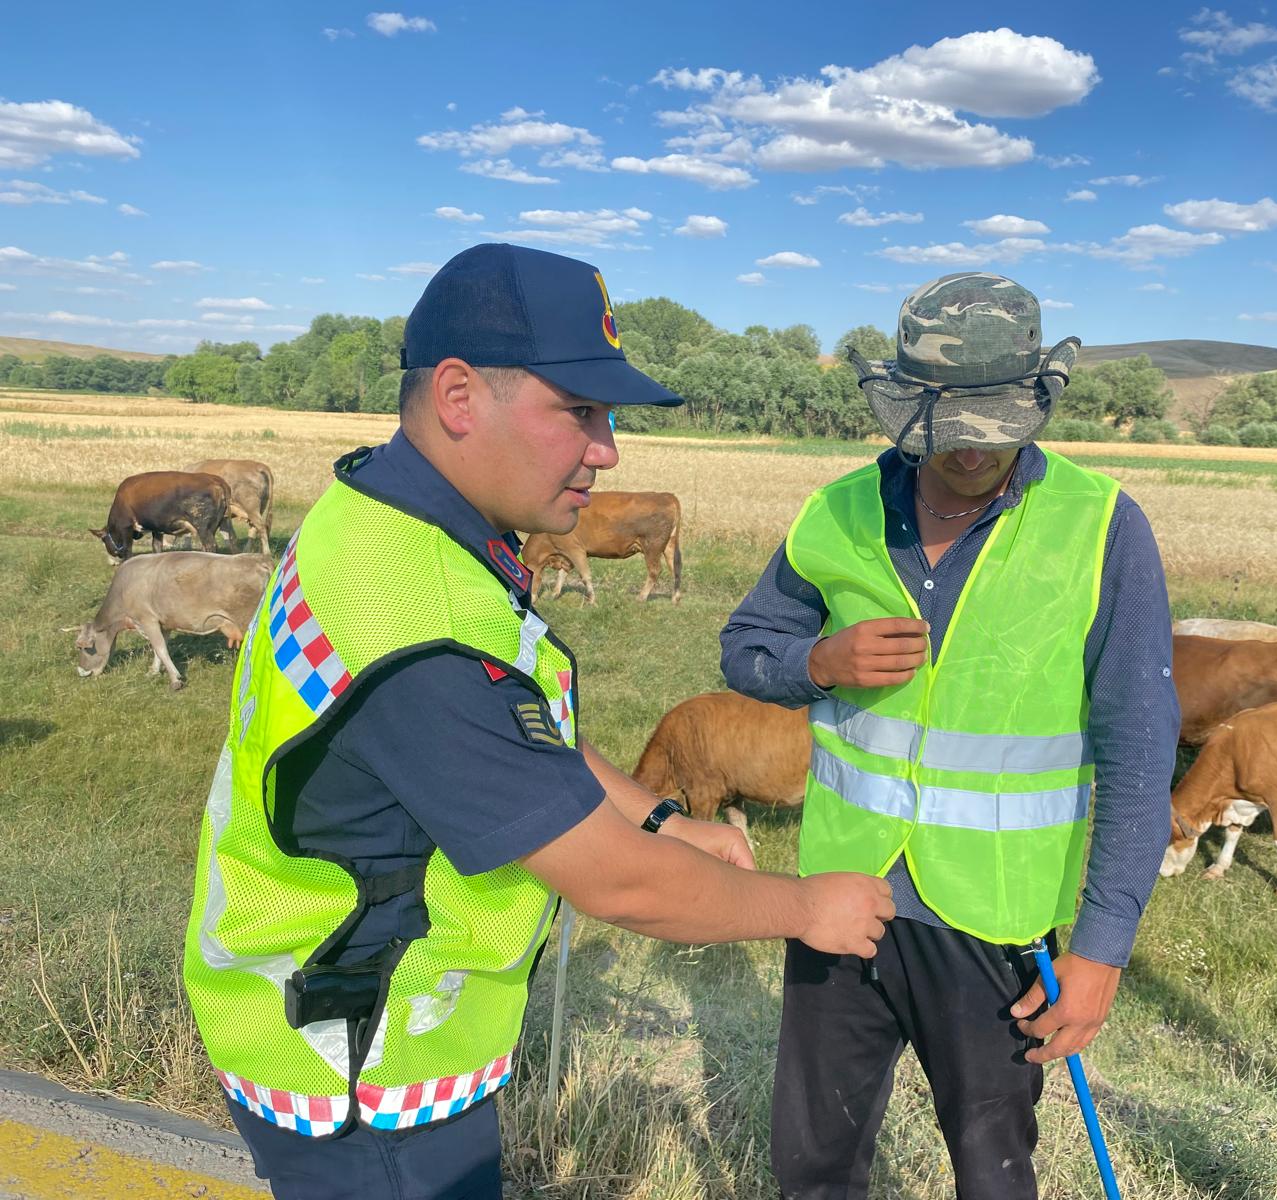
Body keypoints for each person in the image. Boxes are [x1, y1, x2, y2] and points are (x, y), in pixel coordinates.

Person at [181, 243, 894, 1200]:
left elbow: (517, 716)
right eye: (580, 413)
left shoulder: (385, 516)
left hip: (341, 1025)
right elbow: (623, 889)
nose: (608, 451)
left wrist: (660, 815)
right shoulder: (416, 624)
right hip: (361, 1076)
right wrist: (810, 909)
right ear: (461, 396)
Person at [720, 272, 1180, 1199]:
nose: (970, 455)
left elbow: (1140, 747)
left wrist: (1100, 952)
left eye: (995, 426)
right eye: (946, 430)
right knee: (812, 1162)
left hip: (994, 925)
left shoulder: (1101, 528)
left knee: (993, 1167)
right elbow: (746, 648)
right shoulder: (836, 511)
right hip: (838, 901)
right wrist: (818, 663)